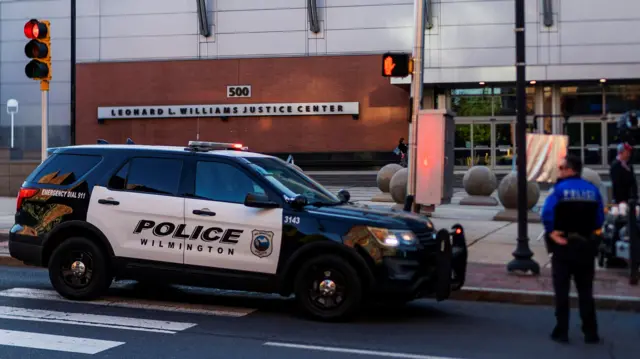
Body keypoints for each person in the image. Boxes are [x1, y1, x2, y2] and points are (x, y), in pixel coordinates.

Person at [541, 154, 605, 344]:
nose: (559, 171)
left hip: (564, 246)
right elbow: (600, 217)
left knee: (562, 291)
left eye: (561, 168)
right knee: (586, 291)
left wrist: (552, 232)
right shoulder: (592, 190)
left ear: (570, 170)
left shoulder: (559, 190)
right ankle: (590, 332)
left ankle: (562, 331)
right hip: (585, 245)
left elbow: (547, 213)